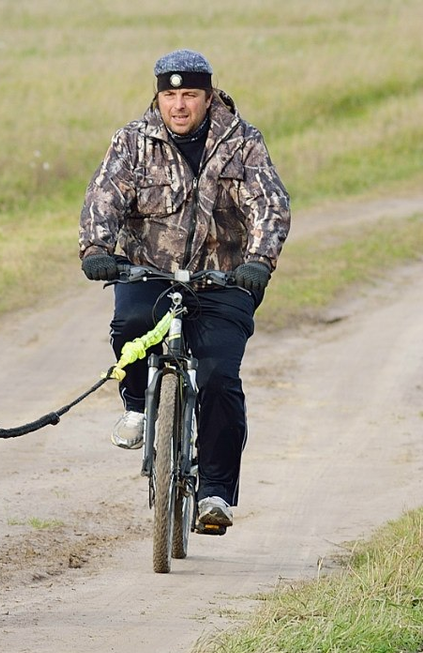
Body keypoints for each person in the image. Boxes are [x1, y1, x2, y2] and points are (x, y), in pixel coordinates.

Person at [78, 49, 290, 530]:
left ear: (208, 95)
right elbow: (103, 195)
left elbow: (270, 204)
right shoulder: (132, 141)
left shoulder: (242, 141)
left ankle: (216, 494)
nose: (179, 104)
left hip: (225, 279)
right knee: (130, 323)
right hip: (147, 272)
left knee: (219, 379)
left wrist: (259, 261)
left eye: (189, 94)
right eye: (170, 94)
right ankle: (136, 405)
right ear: (158, 96)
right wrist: (96, 248)